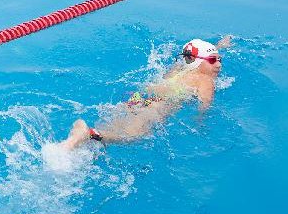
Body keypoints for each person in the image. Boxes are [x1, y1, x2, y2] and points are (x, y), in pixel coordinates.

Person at [56, 37, 231, 151]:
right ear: (199, 62)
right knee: (133, 135)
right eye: (213, 61)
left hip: (139, 97)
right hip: (157, 105)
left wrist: (220, 46)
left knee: (118, 123)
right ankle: (87, 134)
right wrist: (200, 122)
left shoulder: (181, 67)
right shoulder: (205, 80)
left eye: (220, 59)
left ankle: (77, 144)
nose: (219, 65)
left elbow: (196, 54)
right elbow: (205, 105)